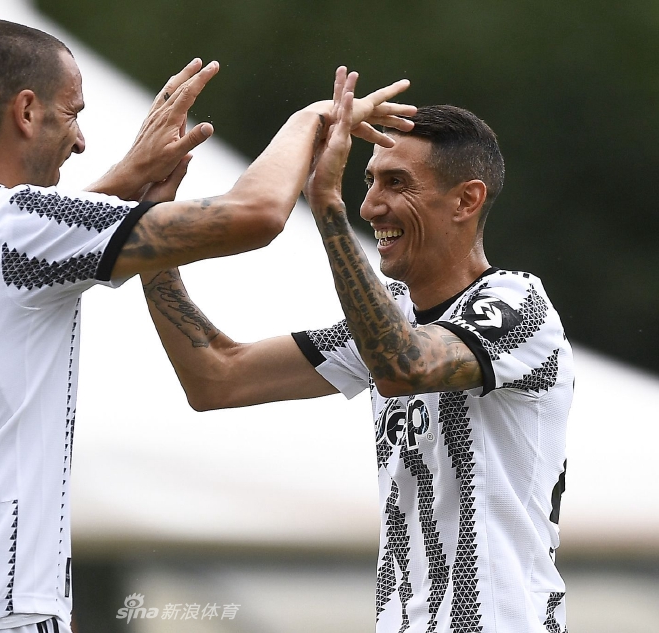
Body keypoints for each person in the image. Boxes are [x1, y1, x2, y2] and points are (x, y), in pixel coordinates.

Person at [0, 20, 414, 633]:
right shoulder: (17, 229)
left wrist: (127, 182)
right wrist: (311, 120)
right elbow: (257, 214)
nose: (80, 141)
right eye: (72, 113)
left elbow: (2, 257)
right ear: (25, 111)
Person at [141, 72, 573, 633]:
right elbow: (217, 378)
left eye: (396, 183)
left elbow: (403, 367)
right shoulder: (390, 318)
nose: (369, 206)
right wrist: (151, 231)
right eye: (367, 181)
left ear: (466, 200)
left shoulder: (518, 304)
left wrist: (327, 209)